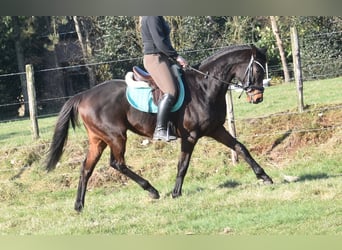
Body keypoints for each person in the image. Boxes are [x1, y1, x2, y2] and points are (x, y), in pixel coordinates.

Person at [140, 16, 188, 142]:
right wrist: (176, 56)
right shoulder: (152, 16)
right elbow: (160, 42)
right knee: (171, 91)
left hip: (163, 57)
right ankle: (160, 129)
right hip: (155, 58)